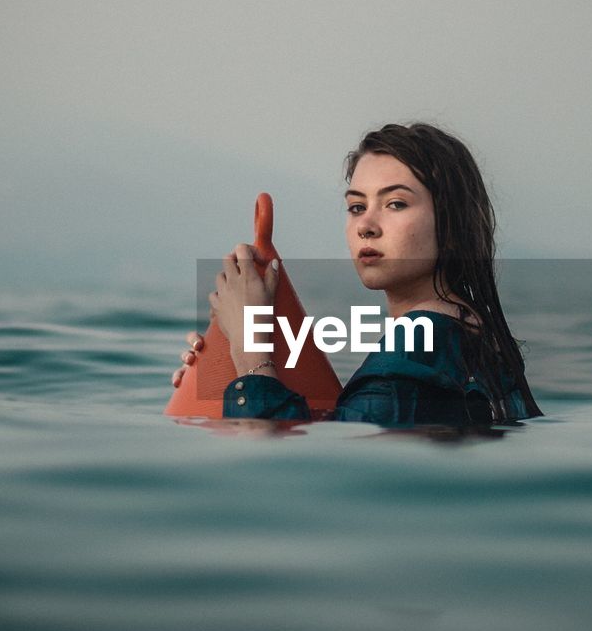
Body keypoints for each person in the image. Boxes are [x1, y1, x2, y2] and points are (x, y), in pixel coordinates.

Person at [172, 122, 543, 426]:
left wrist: (251, 357)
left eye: (395, 203)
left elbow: (310, 485)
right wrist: (225, 370)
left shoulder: (415, 352)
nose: (366, 225)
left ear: (452, 227)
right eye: (356, 206)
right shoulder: (470, 338)